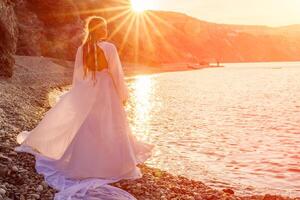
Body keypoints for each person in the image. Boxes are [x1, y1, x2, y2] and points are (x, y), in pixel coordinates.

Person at [15, 16, 153, 199]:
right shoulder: (109, 47)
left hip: (89, 88)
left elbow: (78, 76)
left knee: (89, 125)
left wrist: (79, 95)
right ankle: (112, 164)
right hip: (107, 89)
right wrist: (123, 95)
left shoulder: (83, 48)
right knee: (110, 125)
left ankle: (84, 163)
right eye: (104, 27)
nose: (105, 30)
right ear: (101, 29)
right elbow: (116, 72)